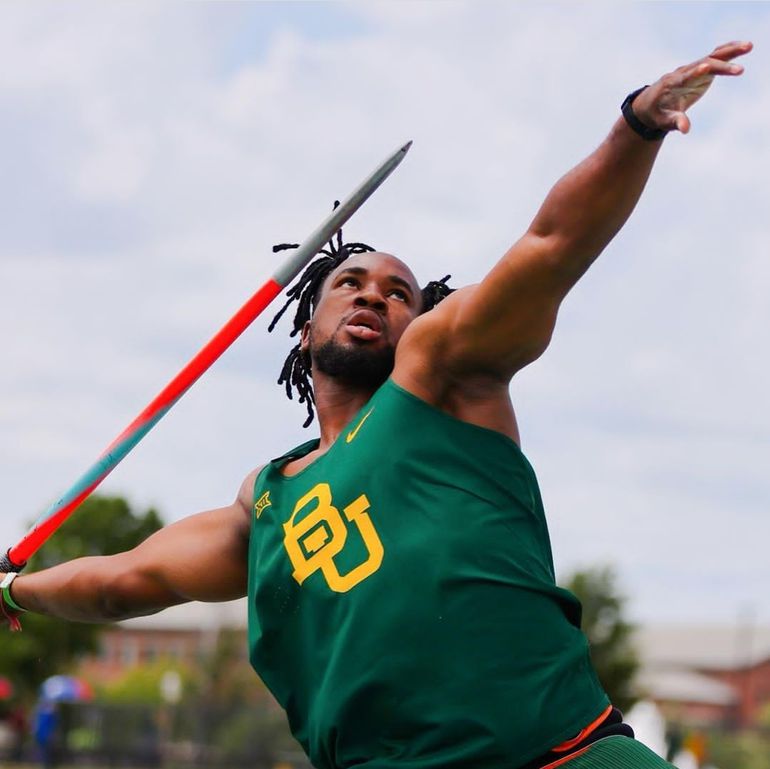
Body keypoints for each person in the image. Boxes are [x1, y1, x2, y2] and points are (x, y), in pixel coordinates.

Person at [0, 41, 752, 769]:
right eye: (349, 283)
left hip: (558, 757)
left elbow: (552, 245)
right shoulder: (265, 503)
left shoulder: (447, 377)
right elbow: (124, 581)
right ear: (302, 329)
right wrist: (14, 589)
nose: (374, 294)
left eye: (400, 294)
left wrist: (637, 125)